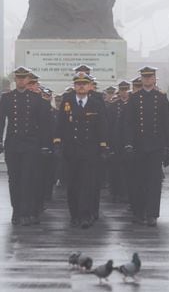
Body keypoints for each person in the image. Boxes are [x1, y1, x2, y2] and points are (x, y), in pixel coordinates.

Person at [0, 67, 52, 225]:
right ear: (15, 80)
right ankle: (16, 211)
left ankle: (28, 211)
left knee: (28, 179)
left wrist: (45, 145)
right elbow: (0, 121)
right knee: (14, 179)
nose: (20, 80)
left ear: (28, 80)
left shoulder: (36, 99)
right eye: (18, 78)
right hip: (13, 144)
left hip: (31, 144)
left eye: (23, 78)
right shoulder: (7, 98)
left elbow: (44, 125)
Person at [54, 73, 109, 228]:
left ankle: (85, 215)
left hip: (90, 151)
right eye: (78, 83)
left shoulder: (96, 103)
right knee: (72, 184)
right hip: (71, 151)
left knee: (87, 184)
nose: (81, 86)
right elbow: (60, 125)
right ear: (74, 86)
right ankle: (74, 214)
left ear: (90, 86)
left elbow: (102, 126)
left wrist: (103, 146)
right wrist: (57, 143)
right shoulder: (67, 102)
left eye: (84, 83)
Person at [122, 66, 169, 227]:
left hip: (156, 145)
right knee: (138, 181)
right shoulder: (135, 98)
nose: (146, 80)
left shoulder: (161, 98)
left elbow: (167, 124)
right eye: (144, 77)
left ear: (154, 79)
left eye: (149, 77)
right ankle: (139, 213)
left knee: (154, 181)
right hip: (139, 145)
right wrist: (129, 143)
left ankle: (152, 214)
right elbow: (129, 123)